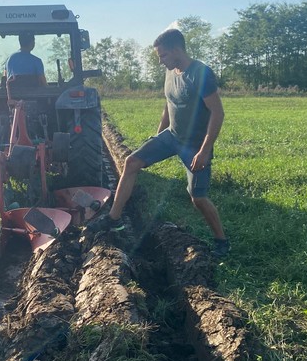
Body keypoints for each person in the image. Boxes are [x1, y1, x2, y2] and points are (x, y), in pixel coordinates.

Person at [93, 28, 230, 257]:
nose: (160, 61)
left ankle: (222, 241)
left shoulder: (200, 73)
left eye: (163, 55)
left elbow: (218, 113)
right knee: (131, 162)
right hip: (172, 136)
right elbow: (169, 105)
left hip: (194, 145)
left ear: (177, 50)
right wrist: (157, 136)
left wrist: (205, 151)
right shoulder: (170, 72)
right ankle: (113, 218)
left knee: (198, 198)